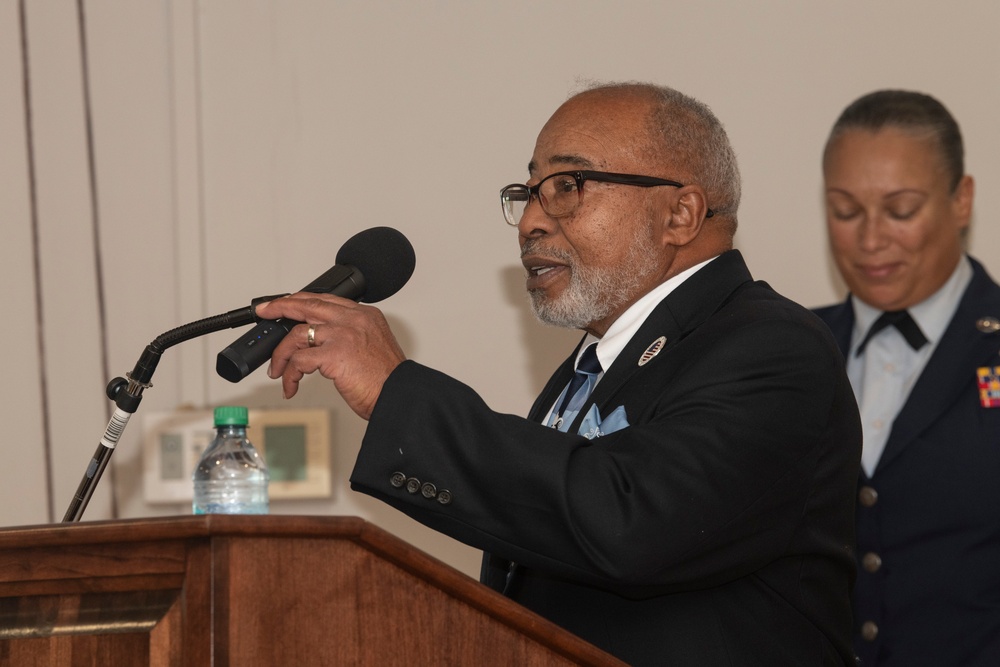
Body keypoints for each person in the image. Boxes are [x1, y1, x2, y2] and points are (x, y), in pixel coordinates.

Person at [258, 82, 861, 666]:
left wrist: (397, 392)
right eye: (529, 192)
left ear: (680, 213)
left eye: (567, 186)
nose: (529, 223)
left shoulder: (773, 345)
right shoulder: (591, 364)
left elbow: (633, 520)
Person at [814, 89, 1000, 666]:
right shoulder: (789, 351)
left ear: (961, 200)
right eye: (846, 211)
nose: (870, 240)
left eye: (900, 210)